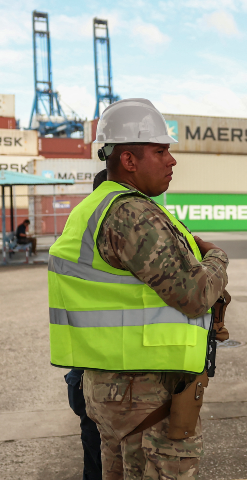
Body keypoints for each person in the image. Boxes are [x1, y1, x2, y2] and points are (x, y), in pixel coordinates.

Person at [48, 98, 229, 479]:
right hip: (142, 392)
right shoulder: (131, 213)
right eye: (160, 151)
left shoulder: (98, 206)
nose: (171, 160)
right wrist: (217, 259)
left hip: (115, 386)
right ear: (129, 160)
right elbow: (193, 294)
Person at [63, 169, 109, 480]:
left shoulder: (76, 223)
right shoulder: (124, 228)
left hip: (84, 359)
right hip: (112, 365)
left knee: (93, 448)